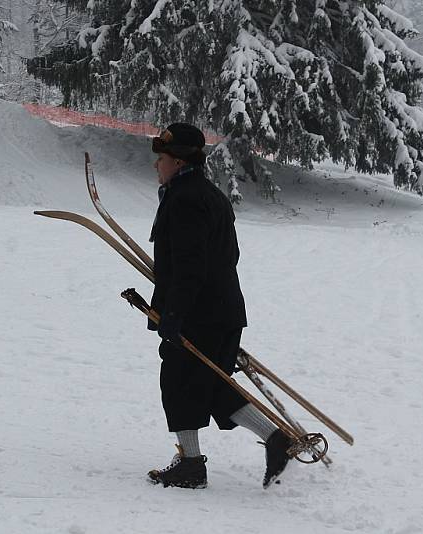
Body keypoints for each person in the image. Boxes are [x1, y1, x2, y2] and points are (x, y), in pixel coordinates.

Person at [146, 123, 292, 489]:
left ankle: (191, 466)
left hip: (199, 314)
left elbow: (191, 266)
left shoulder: (184, 200)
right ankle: (275, 438)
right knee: (211, 385)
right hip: (223, 310)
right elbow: (228, 256)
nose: (156, 166)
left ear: (178, 162)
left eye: (161, 159)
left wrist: (174, 315)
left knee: (178, 382)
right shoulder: (209, 195)